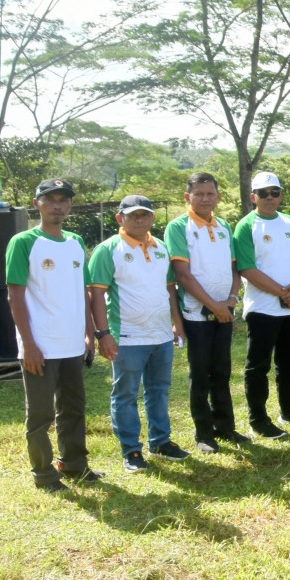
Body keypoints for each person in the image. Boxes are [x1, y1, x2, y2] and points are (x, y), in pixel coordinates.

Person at [6, 178, 100, 492]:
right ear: (37, 204)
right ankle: (44, 474)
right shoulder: (23, 242)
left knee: (73, 409)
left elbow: (83, 293)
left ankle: (75, 465)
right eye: (50, 200)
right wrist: (29, 344)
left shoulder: (75, 242)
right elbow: (15, 297)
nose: (57, 205)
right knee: (42, 414)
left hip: (72, 344)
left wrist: (90, 334)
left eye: (63, 200)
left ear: (70, 205)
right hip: (40, 346)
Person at [89, 195, 188, 473]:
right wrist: (103, 333)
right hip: (127, 337)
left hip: (161, 336)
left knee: (159, 391)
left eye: (145, 215)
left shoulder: (161, 248)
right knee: (126, 394)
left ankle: (161, 441)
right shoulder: (108, 249)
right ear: (120, 218)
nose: (140, 219)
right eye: (133, 215)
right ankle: (131, 450)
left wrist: (176, 323)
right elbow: (96, 294)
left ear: (153, 218)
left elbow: (170, 289)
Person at [167, 172, 248, 454]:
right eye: (198, 194)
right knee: (200, 374)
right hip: (196, 313)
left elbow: (235, 270)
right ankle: (204, 434)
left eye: (210, 193)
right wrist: (215, 306)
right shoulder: (179, 227)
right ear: (188, 197)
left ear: (218, 196)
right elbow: (183, 276)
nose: (204, 198)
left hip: (224, 312)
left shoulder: (225, 226)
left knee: (222, 372)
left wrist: (232, 300)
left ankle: (225, 427)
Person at [234, 172, 290, 437]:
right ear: (253, 196)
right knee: (258, 365)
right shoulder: (246, 226)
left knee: (289, 360)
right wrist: (283, 292)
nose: (270, 197)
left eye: (275, 192)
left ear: (281, 195)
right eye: (264, 193)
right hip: (262, 307)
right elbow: (246, 267)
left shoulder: (289, 221)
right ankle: (258, 419)